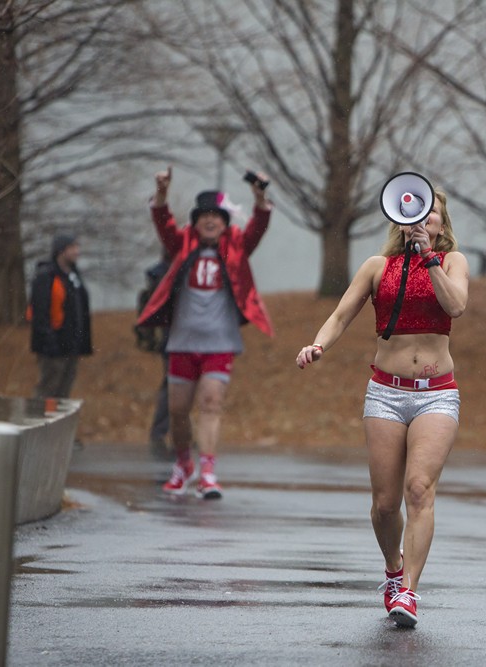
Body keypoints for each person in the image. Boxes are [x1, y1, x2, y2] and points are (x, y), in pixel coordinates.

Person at [295, 189, 468, 628]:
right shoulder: (377, 267)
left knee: (419, 490)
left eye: (434, 217)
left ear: (441, 227)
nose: (425, 222)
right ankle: (393, 568)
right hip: (386, 393)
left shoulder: (452, 262)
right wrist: (318, 345)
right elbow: (339, 315)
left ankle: (408, 591)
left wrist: (430, 260)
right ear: (401, 219)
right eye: (418, 214)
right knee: (386, 505)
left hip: (436, 394)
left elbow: (457, 306)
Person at [138, 166, 274, 500]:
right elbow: (163, 222)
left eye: (217, 216)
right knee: (178, 410)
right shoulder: (181, 243)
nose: (211, 221)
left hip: (220, 342)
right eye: (204, 217)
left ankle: (208, 472)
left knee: (211, 403)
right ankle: (183, 463)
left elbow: (258, 226)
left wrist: (259, 198)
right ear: (196, 221)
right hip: (182, 342)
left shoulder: (237, 246)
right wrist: (162, 193)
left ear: (226, 222)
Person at [29, 232, 92, 400]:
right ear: (61, 251)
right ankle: (39, 423)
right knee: (48, 390)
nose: (77, 251)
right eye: (72, 247)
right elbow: (39, 314)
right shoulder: (45, 276)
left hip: (72, 346)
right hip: (53, 347)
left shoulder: (73, 276)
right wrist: (50, 342)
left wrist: (81, 342)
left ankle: (58, 425)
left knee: (64, 393)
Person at [139, 250, 172, 460]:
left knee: (180, 387)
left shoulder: (165, 272)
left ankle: (177, 430)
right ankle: (160, 430)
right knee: (173, 386)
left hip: (174, 338)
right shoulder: (169, 273)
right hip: (174, 339)